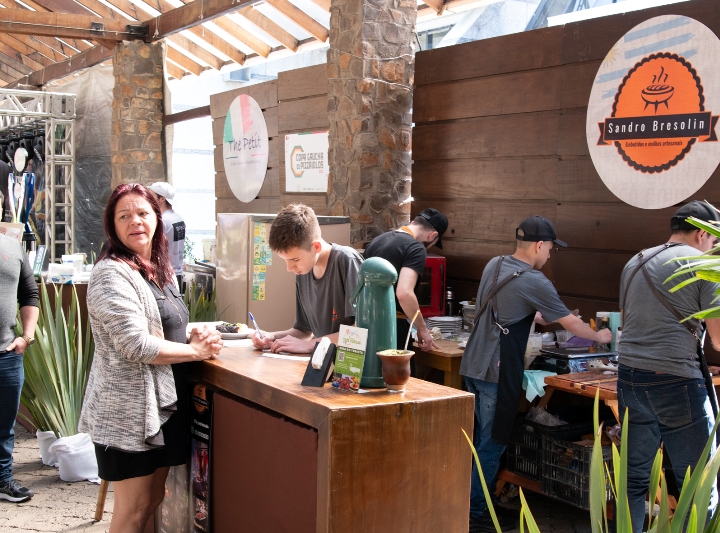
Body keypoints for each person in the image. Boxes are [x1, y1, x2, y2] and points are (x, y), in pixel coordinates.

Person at [79, 183, 222, 533]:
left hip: (161, 406)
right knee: (133, 510)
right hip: (128, 412)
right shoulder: (111, 272)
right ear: (112, 225)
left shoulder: (158, 268)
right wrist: (195, 351)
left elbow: (164, 324)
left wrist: (194, 334)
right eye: (124, 216)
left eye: (143, 213)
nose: (135, 221)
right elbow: (136, 344)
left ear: (157, 218)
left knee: (153, 499)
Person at [460, 216, 612, 533]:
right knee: (492, 443)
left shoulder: (495, 264)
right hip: (496, 370)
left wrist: (539, 315)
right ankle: (475, 513)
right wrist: (600, 336)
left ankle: (478, 503)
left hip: (473, 365)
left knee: (480, 442)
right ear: (540, 245)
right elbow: (572, 324)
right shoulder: (534, 280)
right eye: (551, 248)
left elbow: (509, 305)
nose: (550, 255)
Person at [617, 200, 720, 533]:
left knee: (633, 480)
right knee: (698, 488)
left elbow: (628, 323)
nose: (713, 248)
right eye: (714, 240)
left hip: (629, 379)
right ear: (701, 234)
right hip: (677, 383)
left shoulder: (636, 261)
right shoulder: (705, 265)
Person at [250, 204, 364, 354]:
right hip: (321, 362)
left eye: (295, 259)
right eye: (285, 260)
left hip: (351, 365)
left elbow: (361, 331)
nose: (289, 268)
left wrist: (310, 345)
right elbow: (303, 331)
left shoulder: (347, 260)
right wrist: (272, 337)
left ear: (316, 247)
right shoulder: (303, 271)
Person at [364, 208, 449, 353]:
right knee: (400, 369)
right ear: (433, 235)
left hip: (364, 323)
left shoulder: (377, 240)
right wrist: (422, 328)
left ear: (413, 222)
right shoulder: (416, 248)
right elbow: (404, 293)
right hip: (392, 328)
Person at [0, 232, 39, 503]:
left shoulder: (12, 247)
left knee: (4, 425)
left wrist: (27, 336)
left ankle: (3, 478)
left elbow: (29, 294)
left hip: (6, 353)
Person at [148, 182, 186, 289]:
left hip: (164, 275)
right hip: (177, 273)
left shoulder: (162, 221)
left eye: (152, 196)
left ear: (162, 199)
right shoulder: (178, 218)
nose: (149, 199)